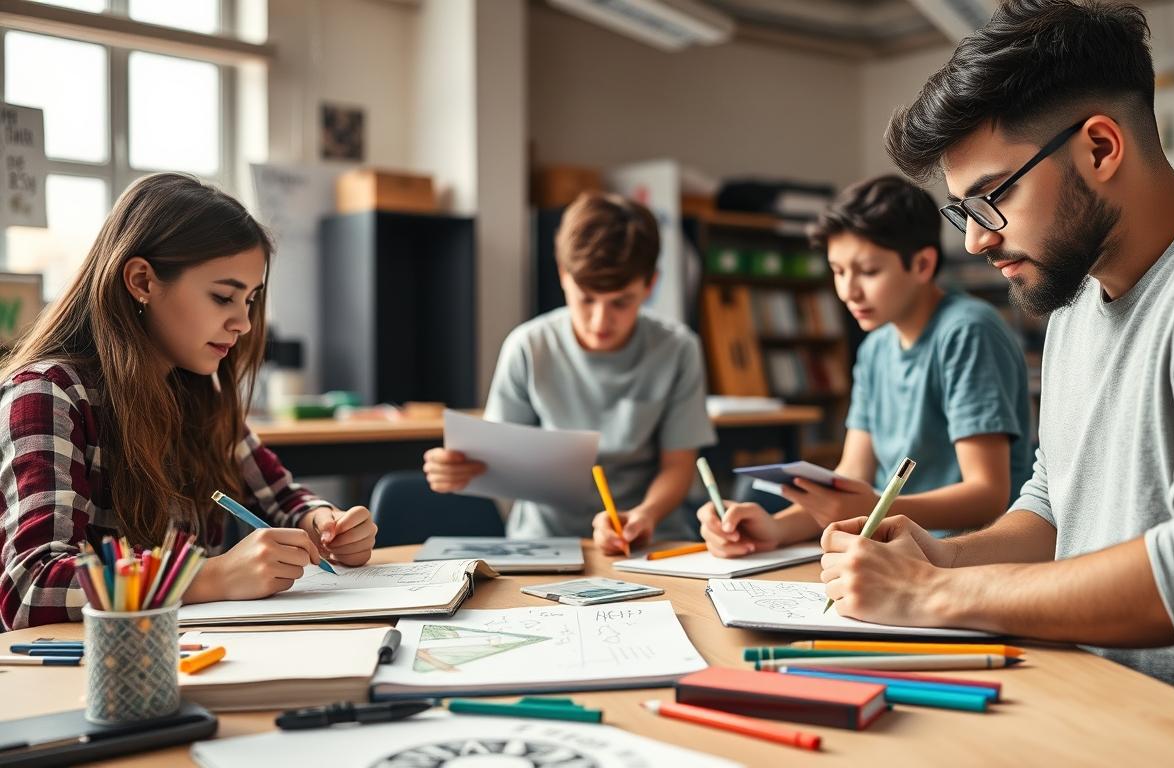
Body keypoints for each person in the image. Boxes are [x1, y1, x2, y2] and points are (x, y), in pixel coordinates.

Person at [820, 0, 1174, 743]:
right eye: (961, 209)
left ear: (1100, 147)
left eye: (994, 197)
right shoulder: (1072, 300)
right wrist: (939, 552)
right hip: (1080, 708)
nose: (974, 239)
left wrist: (937, 591)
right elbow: (1056, 504)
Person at [0, 173, 378, 631]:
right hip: (83, 675)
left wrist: (326, 523)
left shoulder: (198, 392)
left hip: (192, 655)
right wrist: (212, 576)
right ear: (142, 280)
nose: (242, 322)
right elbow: (30, 587)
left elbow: (282, 497)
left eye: (251, 299)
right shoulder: (47, 393)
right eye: (223, 296)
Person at [698, 175, 1032, 557]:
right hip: (896, 553)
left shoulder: (967, 331)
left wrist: (872, 506)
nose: (848, 291)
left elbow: (988, 494)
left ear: (922, 264)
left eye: (868, 272)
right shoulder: (875, 347)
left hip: (970, 558)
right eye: (838, 271)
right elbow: (852, 475)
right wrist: (774, 528)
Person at [423, 192, 715, 554]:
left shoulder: (678, 349)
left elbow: (679, 464)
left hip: (648, 538)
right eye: (586, 299)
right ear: (564, 276)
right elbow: (495, 459)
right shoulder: (529, 346)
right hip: (543, 543)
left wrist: (645, 515)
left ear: (650, 285)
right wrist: (458, 469)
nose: (600, 321)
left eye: (621, 302)